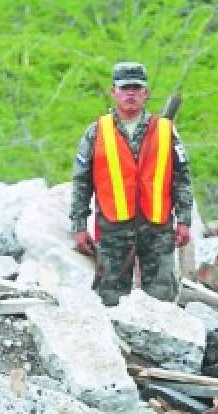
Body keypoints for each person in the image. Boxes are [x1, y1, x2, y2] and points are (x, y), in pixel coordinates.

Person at [70, 62, 193, 305]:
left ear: (146, 93)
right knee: (110, 296)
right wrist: (79, 225)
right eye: (125, 88)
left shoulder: (166, 130)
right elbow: (81, 181)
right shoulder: (96, 131)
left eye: (136, 88)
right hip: (113, 226)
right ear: (113, 91)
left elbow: (182, 177)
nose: (130, 94)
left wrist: (184, 220)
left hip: (157, 226)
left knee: (162, 296)